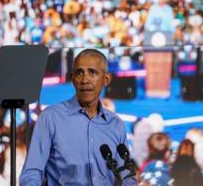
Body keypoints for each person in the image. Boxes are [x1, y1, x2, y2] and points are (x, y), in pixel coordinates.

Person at [20, 49, 136, 185]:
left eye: (92, 72)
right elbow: (32, 173)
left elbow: (127, 176)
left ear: (106, 79)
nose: (85, 79)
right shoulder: (50, 118)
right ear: (72, 78)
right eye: (79, 73)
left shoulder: (116, 124)